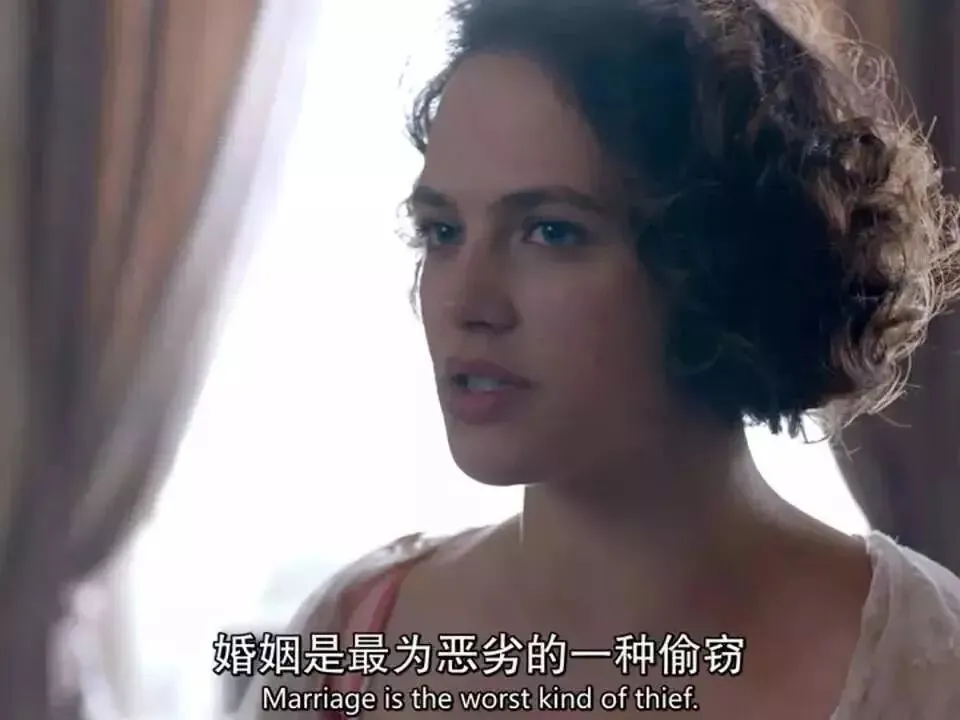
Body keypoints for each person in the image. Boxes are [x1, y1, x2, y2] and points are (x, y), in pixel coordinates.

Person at [246, 0, 960, 717]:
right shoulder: (348, 641)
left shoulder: (929, 666)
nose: (466, 301)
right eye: (442, 231)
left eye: (551, 232)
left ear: (717, 260)